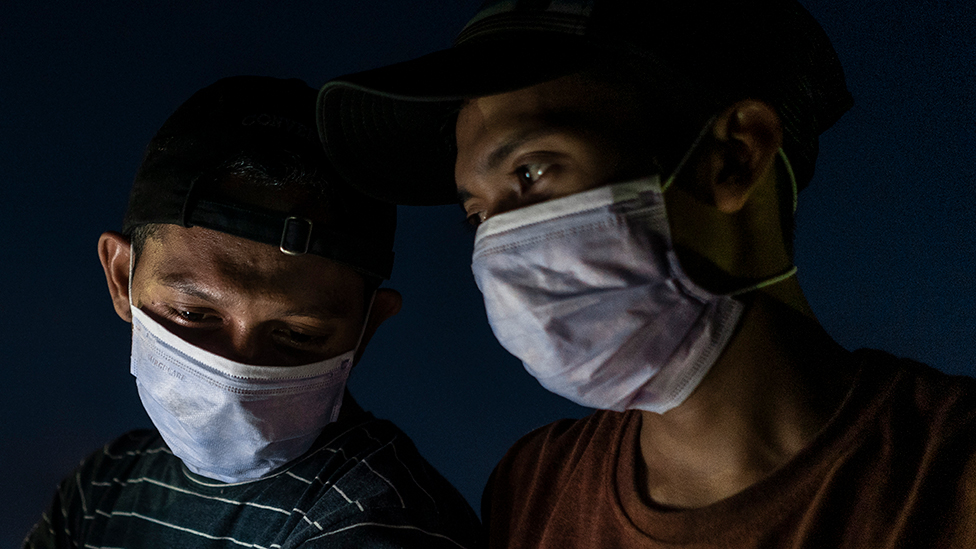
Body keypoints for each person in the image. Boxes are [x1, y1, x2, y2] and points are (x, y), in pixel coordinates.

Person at [314, 0, 976, 547]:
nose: (497, 248)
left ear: (734, 156)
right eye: (478, 213)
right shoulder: (535, 484)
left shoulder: (948, 480)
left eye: (531, 172)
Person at [23, 76, 481, 548]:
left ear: (367, 329)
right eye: (192, 313)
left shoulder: (377, 520)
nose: (237, 374)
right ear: (121, 278)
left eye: (296, 335)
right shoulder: (103, 488)